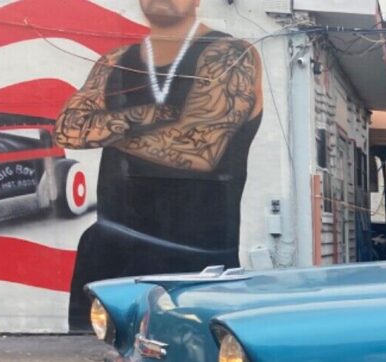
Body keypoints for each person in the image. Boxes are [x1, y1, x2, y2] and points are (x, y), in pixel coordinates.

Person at [56, 0, 263, 330]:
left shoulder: (229, 53)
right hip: (109, 258)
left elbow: (200, 148)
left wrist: (105, 130)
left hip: (196, 261)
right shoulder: (114, 61)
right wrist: (151, 115)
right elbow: (67, 129)